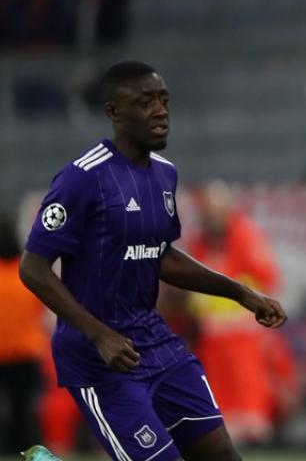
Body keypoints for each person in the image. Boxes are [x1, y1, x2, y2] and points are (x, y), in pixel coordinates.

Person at [18, 61, 287, 461]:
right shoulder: (82, 178)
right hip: (101, 357)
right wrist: (99, 335)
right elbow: (33, 267)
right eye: (145, 102)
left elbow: (160, 255)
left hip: (156, 342)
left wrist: (240, 293)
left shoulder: (164, 175)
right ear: (114, 113)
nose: (160, 111)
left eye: (163, 100)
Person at [187, 181, 283, 446]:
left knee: (247, 383)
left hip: (241, 329)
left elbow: (266, 278)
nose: (212, 218)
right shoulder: (200, 242)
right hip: (211, 331)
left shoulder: (245, 237)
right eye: (208, 212)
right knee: (217, 385)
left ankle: (254, 434)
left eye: (217, 211)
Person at [1, 219, 47, 454]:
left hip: (5, 353)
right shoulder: (27, 271)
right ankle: (24, 451)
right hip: (26, 352)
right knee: (22, 413)